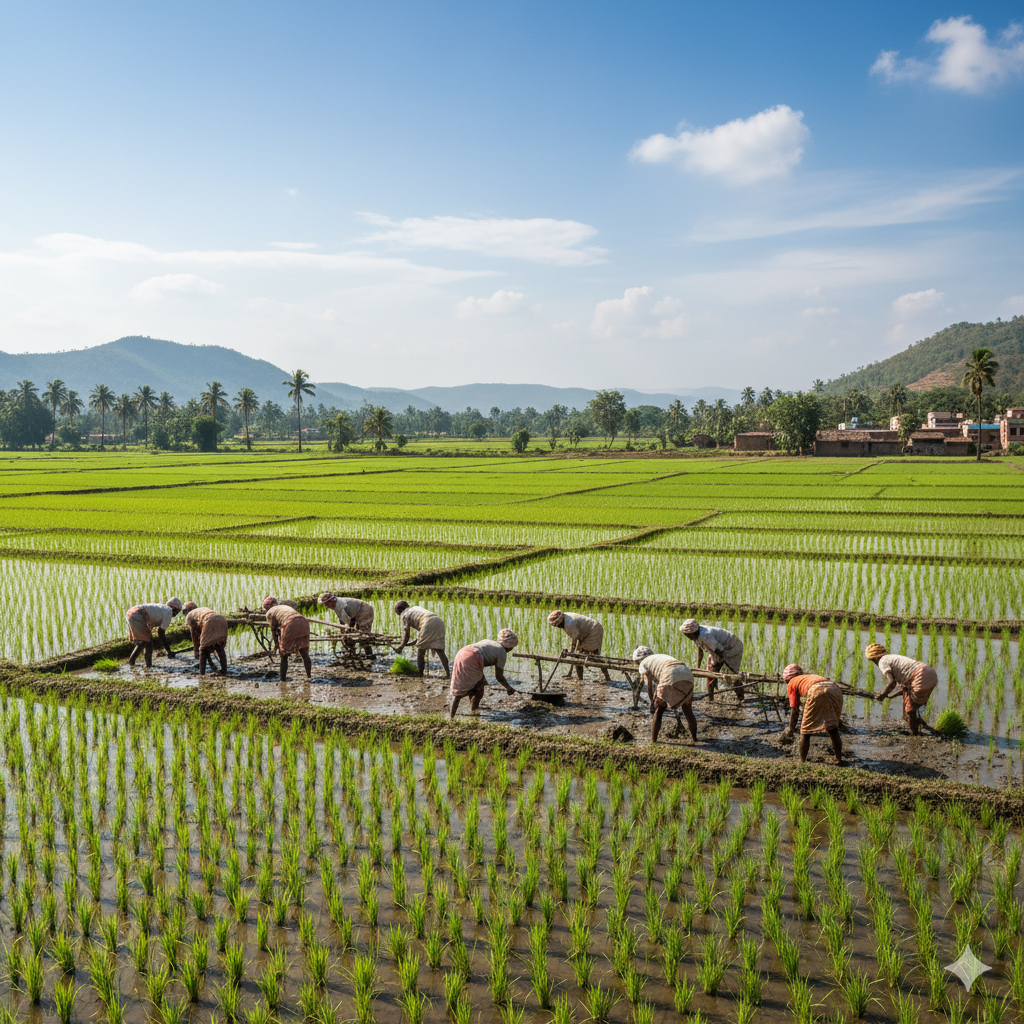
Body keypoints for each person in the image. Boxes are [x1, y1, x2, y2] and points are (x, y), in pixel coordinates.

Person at [865, 643, 938, 736]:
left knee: (910, 710)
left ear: (875, 658)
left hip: (920, 675)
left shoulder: (882, 661)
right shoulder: (891, 657)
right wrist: (890, 694)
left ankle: (916, 735)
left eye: (872, 661)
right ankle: (920, 724)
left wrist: (882, 694)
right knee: (912, 707)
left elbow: (892, 683)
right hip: (929, 673)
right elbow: (902, 684)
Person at [449, 629, 520, 718]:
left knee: (462, 687)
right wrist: (509, 688)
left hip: (461, 653)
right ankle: (474, 713)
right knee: (478, 690)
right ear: (510, 647)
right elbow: (499, 676)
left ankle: (452, 716)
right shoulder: (502, 652)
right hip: (473, 657)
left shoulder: (489, 642)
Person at [633, 646, 697, 743]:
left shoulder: (643, 663)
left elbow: (649, 686)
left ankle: (653, 741)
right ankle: (695, 739)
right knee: (687, 708)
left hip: (670, 673)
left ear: (638, 660)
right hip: (687, 673)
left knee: (659, 710)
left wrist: (653, 703)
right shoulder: (658, 658)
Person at [781, 664, 844, 763]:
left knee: (805, 732)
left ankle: (802, 761)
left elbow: (795, 710)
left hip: (816, 690)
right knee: (833, 728)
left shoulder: (792, 682)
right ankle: (839, 759)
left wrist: (791, 729)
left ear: (787, 679)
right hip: (834, 688)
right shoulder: (807, 677)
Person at [679, 619, 744, 701]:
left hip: (731, 647)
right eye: (686, 635)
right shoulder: (696, 636)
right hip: (717, 650)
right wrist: (698, 667)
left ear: (694, 632)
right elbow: (700, 651)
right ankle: (711, 698)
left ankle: (741, 698)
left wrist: (718, 665)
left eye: (688, 635)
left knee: (731, 675)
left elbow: (720, 651)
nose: (688, 637)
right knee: (710, 674)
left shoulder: (705, 635)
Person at [547, 609, 611, 681]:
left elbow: (575, 637)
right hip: (586, 632)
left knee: (582, 657)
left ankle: (582, 679)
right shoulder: (565, 617)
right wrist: (573, 651)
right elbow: (575, 635)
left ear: (559, 622)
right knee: (580, 656)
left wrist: (572, 651)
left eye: (557, 625)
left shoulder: (569, 623)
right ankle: (580, 678)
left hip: (593, 631)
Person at [394, 601, 450, 677]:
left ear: (398, 611)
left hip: (428, 622)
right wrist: (409, 643)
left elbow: (406, 634)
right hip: (439, 622)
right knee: (440, 651)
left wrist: (401, 647)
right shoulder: (415, 608)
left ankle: (420, 674)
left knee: (421, 652)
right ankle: (448, 673)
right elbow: (422, 635)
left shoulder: (404, 614)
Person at [126, 598, 183, 668]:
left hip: (131, 612)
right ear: (173, 607)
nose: (176, 614)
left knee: (143, 642)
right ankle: (148, 665)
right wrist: (168, 650)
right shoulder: (169, 611)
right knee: (149, 642)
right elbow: (161, 633)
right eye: (177, 611)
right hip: (137, 614)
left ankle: (131, 661)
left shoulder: (161, 608)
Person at [264, 598, 312, 681]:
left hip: (290, 623)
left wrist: (277, 645)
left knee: (283, 656)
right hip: (303, 621)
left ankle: (282, 679)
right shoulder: (284, 607)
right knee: (304, 653)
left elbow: (273, 630)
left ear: (268, 607)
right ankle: (309, 676)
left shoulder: (270, 612)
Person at [183, 602, 228, 676]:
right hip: (222, 619)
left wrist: (196, 649)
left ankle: (202, 674)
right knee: (219, 647)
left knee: (203, 651)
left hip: (209, 620)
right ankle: (224, 670)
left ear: (187, 611)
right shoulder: (201, 610)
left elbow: (194, 635)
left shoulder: (189, 615)